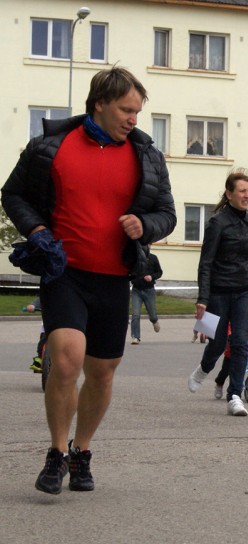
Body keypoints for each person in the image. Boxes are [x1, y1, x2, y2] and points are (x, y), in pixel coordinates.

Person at [1, 66, 176, 495]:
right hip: (66, 272)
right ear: (99, 103)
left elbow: (167, 214)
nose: (134, 118)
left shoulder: (146, 155)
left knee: (102, 371)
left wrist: (145, 225)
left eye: (138, 111)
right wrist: (37, 231)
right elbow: (14, 194)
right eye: (126, 109)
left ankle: (82, 451)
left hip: (115, 276)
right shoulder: (51, 146)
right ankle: (57, 452)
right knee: (65, 359)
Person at [187, 170, 248, 416]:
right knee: (216, 344)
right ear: (229, 194)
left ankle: (234, 396)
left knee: (240, 342)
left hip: (244, 291)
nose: (247, 195)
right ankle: (203, 369)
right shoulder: (217, 223)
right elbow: (205, 263)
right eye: (242, 191)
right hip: (218, 292)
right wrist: (203, 299)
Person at [130, 250, 163, 344]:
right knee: (135, 314)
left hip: (149, 290)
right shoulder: (135, 259)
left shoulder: (153, 258)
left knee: (152, 313)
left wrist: (152, 277)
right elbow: (130, 272)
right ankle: (135, 337)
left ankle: (154, 320)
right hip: (136, 290)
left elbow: (159, 272)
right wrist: (133, 279)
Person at [24, 297, 46, 373]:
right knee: (42, 343)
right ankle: (39, 360)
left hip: (63, 326)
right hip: (47, 326)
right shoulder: (47, 295)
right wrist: (32, 306)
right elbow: (36, 303)